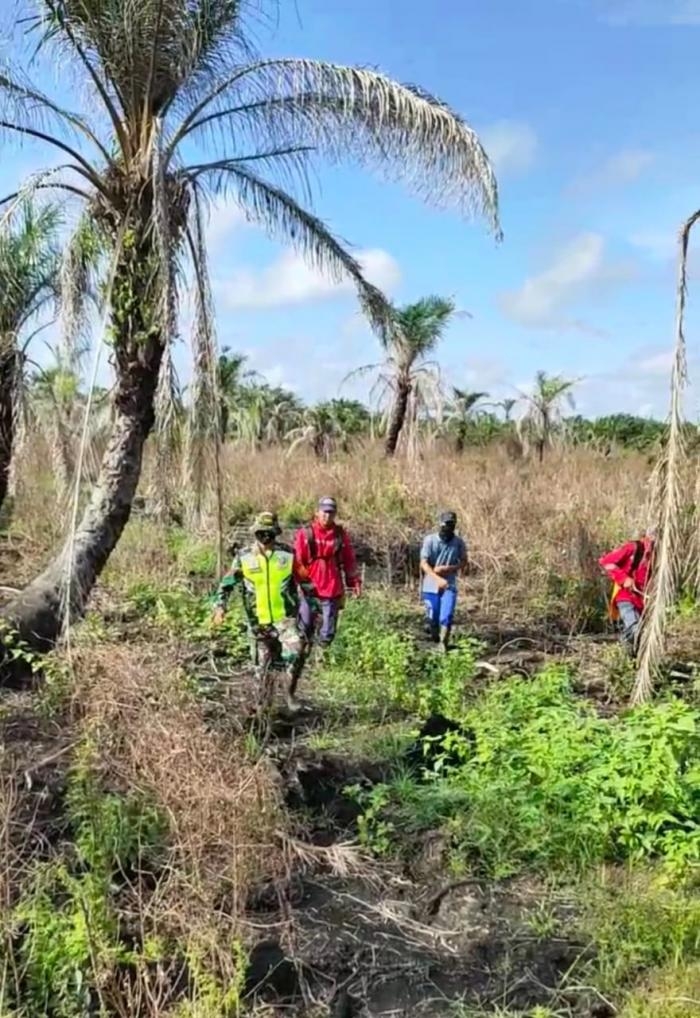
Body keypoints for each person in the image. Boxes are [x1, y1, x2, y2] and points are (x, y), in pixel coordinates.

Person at [212, 511, 317, 711]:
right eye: (261, 533)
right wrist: (219, 607)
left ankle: (289, 693)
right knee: (261, 667)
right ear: (255, 533)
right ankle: (263, 708)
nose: (265, 537)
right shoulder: (243, 558)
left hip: (284, 618)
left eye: (269, 533)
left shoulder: (288, 555)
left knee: (296, 652)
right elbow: (226, 585)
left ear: (276, 533)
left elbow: (307, 584)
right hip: (257, 621)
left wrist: (315, 609)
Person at [294, 496, 362, 649]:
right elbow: (297, 563)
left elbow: (349, 560)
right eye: (324, 512)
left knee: (327, 633)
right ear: (317, 512)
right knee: (303, 628)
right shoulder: (306, 534)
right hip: (310, 588)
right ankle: (299, 661)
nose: (327, 516)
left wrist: (354, 582)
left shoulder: (339, 535)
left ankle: (322, 661)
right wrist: (302, 584)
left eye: (331, 513)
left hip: (332, 589)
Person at [599, 526, 656, 654]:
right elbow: (606, 561)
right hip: (626, 597)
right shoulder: (634, 548)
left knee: (643, 635)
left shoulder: (658, 556)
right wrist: (624, 579)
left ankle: (631, 659)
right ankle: (623, 649)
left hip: (643, 601)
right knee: (634, 629)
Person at [420, 510, 468, 653]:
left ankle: (443, 644)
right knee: (433, 614)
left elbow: (464, 561)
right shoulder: (430, 540)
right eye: (446, 524)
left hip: (449, 583)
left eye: (451, 524)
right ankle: (433, 636)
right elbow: (424, 563)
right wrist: (436, 577)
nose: (448, 527)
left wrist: (450, 568)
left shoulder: (458, 542)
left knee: (446, 615)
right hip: (431, 582)